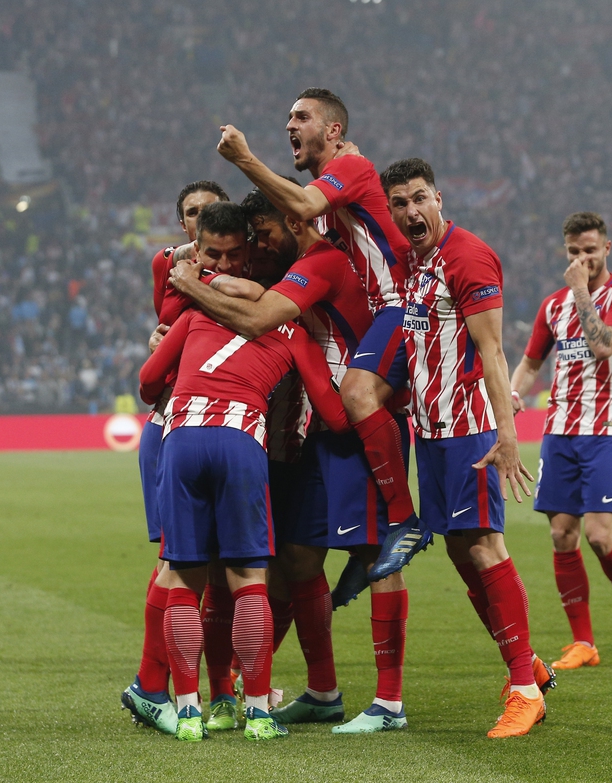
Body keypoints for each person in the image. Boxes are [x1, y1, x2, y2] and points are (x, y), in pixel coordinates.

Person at [169, 186, 412, 734]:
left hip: (324, 435)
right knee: (266, 570)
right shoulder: (268, 270)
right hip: (274, 443)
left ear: (293, 221)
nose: (254, 246)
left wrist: (194, 282)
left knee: (331, 563)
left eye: (262, 234)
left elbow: (260, 322)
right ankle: (265, 693)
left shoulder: (317, 262)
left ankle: (374, 699)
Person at [139, 201, 351, 742]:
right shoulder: (295, 333)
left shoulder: (193, 313)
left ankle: (191, 711)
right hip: (242, 440)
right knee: (248, 580)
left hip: (182, 438)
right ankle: (258, 710)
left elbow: (146, 382)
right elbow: (331, 413)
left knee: (187, 578)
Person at [213, 89, 428, 570]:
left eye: (302, 116)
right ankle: (374, 537)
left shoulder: (350, 170)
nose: (290, 124)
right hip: (377, 316)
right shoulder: (332, 201)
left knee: (352, 394)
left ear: (334, 131)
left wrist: (244, 158)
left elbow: (305, 205)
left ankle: (403, 521)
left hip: (401, 303)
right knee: (353, 412)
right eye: (287, 115)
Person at [382, 157, 555, 738]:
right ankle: (526, 661)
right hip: (429, 434)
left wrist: (506, 437)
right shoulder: (413, 262)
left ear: (438, 198)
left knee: (484, 547)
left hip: (470, 433)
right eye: (400, 203)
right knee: (460, 552)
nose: (412, 211)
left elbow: (493, 352)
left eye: (420, 198)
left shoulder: (469, 256)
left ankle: (525, 691)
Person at [511, 211, 612, 669]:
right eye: (574, 252)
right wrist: (512, 395)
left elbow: (604, 344)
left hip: (605, 432)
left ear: (606, 249)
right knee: (561, 534)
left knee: (599, 535)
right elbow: (532, 363)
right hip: (559, 433)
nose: (582, 259)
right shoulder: (552, 306)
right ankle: (583, 642)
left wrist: (580, 290)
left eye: (589, 250)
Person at [122, 180, 232, 736]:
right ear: (185, 224)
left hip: (223, 427)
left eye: (213, 211)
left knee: (213, 568)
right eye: (192, 214)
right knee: (179, 562)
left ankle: (219, 688)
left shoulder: (240, 267)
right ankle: (151, 683)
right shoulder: (174, 270)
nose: (202, 220)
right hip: (174, 425)